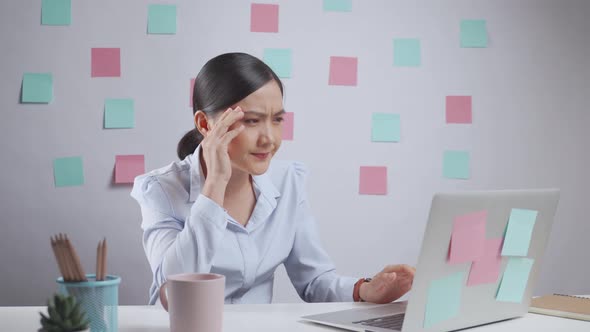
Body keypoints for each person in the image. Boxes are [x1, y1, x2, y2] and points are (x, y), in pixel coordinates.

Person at [131, 52, 415, 305]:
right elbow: (172, 295)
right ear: (206, 124)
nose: (269, 138)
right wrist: (214, 186)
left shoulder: (288, 180)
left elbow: (314, 282)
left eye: (277, 119)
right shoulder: (160, 190)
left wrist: (365, 290)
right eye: (251, 121)